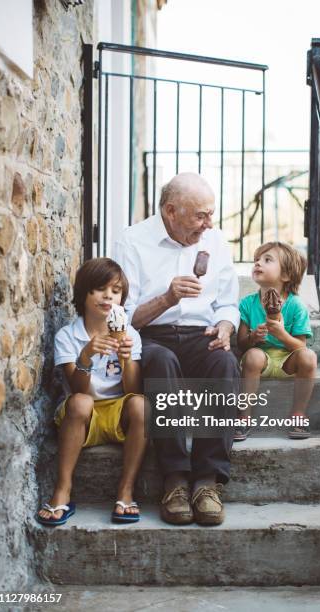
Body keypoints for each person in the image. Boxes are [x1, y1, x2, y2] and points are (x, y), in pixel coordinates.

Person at [114, 172, 240, 526]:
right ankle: (174, 479)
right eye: (200, 215)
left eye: (210, 214)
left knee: (225, 363)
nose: (208, 223)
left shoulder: (214, 241)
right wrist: (167, 298)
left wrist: (227, 326)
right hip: (152, 335)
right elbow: (123, 316)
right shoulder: (133, 241)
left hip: (202, 332)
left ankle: (207, 481)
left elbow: (228, 304)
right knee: (161, 362)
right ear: (170, 211)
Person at [37, 257, 148, 526]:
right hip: (82, 417)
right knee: (81, 402)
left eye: (116, 290)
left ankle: (126, 490)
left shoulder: (130, 333)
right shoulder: (68, 335)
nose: (108, 296)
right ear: (83, 293)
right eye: (100, 288)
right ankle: (62, 490)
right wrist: (85, 356)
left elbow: (132, 390)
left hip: (116, 412)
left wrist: (126, 357)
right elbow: (77, 389)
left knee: (141, 404)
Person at [235, 241, 316, 441]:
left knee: (309, 357)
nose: (257, 264)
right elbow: (241, 344)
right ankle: (244, 417)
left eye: (267, 260)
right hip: (259, 360)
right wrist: (253, 337)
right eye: (256, 260)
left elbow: (300, 346)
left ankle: (298, 415)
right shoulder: (246, 304)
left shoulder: (296, 305)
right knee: (253, 355)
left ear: (286, 275)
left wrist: (281, 334)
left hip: (289, 361)